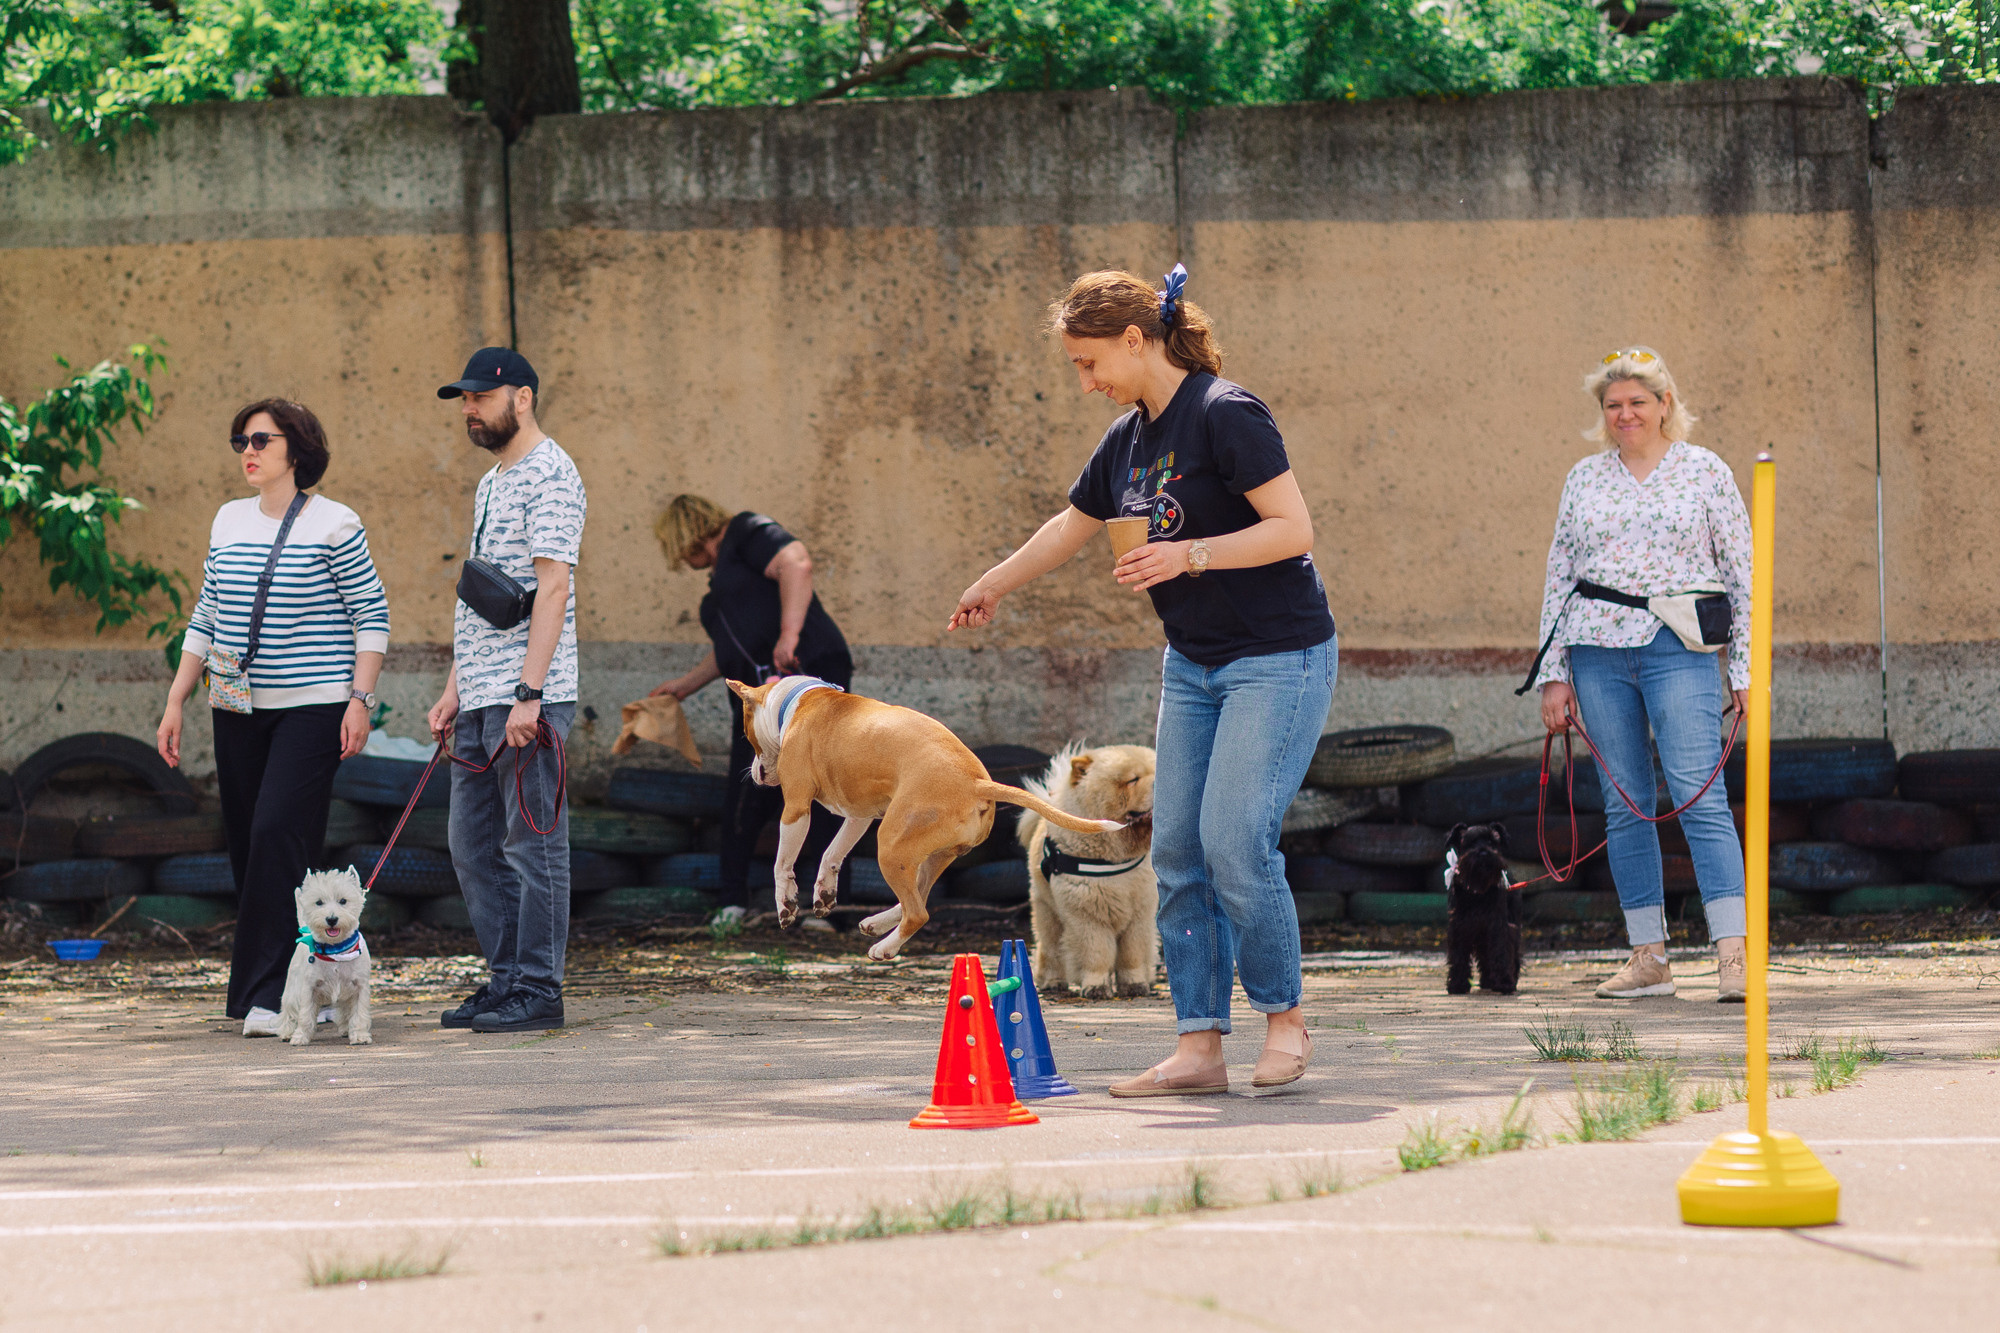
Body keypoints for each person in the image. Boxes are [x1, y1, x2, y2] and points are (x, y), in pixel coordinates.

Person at [949, 266, 1336, 1095]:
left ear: (1135, 339)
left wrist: (1190, 553)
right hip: (1192, 664)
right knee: (1177, 848)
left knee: (1236, 842)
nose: (1085, 382)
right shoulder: (1126, 440)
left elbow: (1293, 529)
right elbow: (1072, 525)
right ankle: (1199, 1046)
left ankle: (1285, 1020)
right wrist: (993, 583)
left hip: (1278, 656)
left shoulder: (1226, 413)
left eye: (1090, 363)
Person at [156, 400, 389, 1037]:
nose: (248, 451)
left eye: (261, 439)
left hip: (313, 707)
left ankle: (266, 999)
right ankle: (306, 989)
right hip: (235, 706)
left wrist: (360, 700)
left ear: (298, 448)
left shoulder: (335, 522)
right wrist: (176, 699)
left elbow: (371, 614)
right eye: (241, 441)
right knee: (248, 844)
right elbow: (207, 614)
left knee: (275, 833)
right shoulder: (228, 519)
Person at [1531, 347, 1752, 1002]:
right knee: (1624, 802)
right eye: (1613, 404)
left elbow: (1742, 574)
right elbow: (1560, 576)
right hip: (1596, 651)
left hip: (1678, 647)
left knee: (1698, 795)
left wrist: (1744, 670)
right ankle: (1648, 957)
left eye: (1637, 402)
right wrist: (1553, 673)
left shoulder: (1705, 471)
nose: (1625, 414)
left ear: (1664, 404)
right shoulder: (1584, 478)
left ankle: (1733, 954)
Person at [427, 348, 586, 1034]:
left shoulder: (551, 473)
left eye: (480, 398)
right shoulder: (493, 480)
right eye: (464, 399)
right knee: (471, 846)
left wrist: (530, 692)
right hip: (481, 694)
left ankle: (539, 989)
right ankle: (506, 981)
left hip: (527, 696)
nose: (470, 409)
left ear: (522, 398)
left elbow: (553, 587)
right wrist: (454, 688)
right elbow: (482, 595)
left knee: (533, 846)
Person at [650, 494, 855, 926]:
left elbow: (796, 564)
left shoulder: (746, 531)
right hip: (760, 698)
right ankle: (734, 900)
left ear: (685, 533)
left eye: (674, 547)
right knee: (747, 786)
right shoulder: (720, 589)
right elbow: (729, 650)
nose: (679, 559)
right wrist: (685, 686)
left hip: (806, 674)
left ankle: (827, 908)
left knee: (825, 783)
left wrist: (789, 636)